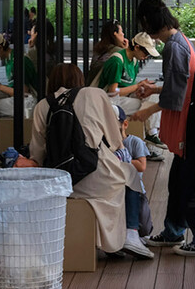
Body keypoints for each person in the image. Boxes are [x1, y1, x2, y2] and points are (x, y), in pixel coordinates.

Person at [131, 0, 195, 255]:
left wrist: (146, 111)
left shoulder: (173, 48)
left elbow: (175, 97)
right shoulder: (178, 40)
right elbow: (183, 84)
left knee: (191, 178)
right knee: (179, 177)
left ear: (149, 22)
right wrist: (155, 90)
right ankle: (173, 230)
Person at [30, 62, 135, 257]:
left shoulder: (42, 106)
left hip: (64, 182)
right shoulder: (95, 94)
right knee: (125, 178)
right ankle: (122, 238)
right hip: (101, 176)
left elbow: (37, 153)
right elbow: (115, 140)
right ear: (79, 79)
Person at [113, 106, 154, 259]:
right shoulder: (105, 143)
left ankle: (134, 235)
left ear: (125, 124)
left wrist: (122, 158)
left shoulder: (134, 141)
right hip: (115, 190)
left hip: (136, 192)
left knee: (144, 228)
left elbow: (142, 166)